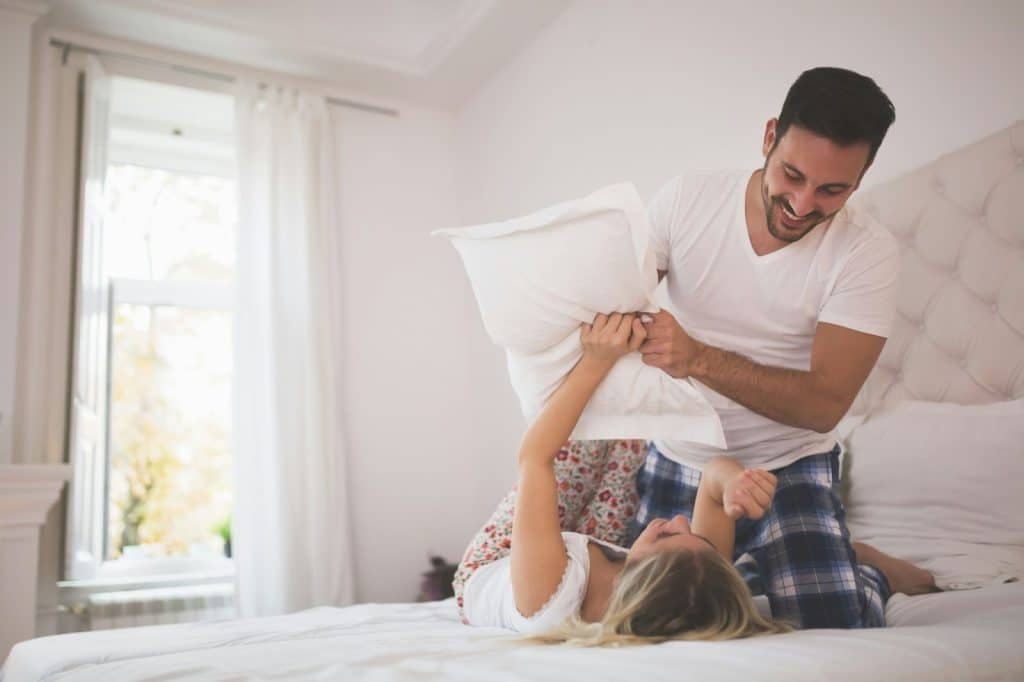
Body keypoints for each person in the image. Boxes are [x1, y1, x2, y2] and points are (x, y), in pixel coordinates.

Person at [629, 66, 936, 629]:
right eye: (791, 175)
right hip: (683, 459)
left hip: (788, 466)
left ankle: (866, 570)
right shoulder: (688, 199)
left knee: (835, 628)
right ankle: (791, 557)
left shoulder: (865, 253)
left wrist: (696, 357)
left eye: (831, 190)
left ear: (860, 179)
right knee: (657, 623)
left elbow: (824, 405)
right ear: (769, 137)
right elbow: (617, 302)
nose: (801, 203)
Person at [453, 312, 791, 644]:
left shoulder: (545, 596)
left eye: (665, 537)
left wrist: (597, 360)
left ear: (634, 583)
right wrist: (734, 481)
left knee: (580, 443)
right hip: (591, 551)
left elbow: (534, 457)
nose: (678, 521)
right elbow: (714, 482)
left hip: (498, 560)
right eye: (694, 534)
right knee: (629, 441)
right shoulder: (691, 580)